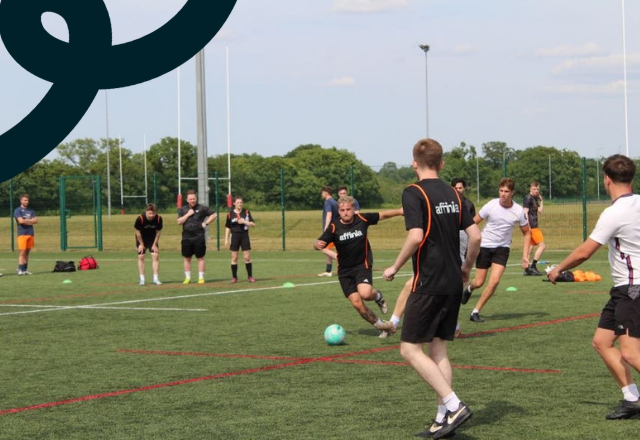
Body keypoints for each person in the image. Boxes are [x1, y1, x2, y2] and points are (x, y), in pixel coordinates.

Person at [382, 138, 481, 439]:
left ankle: (454, 405)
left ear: (415, 163)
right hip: (452, 282)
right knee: (438, 349)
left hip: (429, 281)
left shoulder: (413, 192)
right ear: (441, 163)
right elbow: (476, 236)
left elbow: (415, 236)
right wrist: (467, 267)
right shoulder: (454, 193)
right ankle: (442, 419)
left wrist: (395, 266)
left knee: (409, 348)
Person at [548, 154, 640, 420]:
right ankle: (632, 399)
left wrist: (558, 269)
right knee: (602, 342)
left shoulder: (614, 213)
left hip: (631, 289)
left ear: (606, 180)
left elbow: (585, 252)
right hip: (623, 289)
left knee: (630, 353)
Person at [314, 196, 401, 336]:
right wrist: (315, 244)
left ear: (353, 209)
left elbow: (383, 215)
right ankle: (382, 326)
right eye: (342, 210)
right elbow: (319, 243)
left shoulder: (362, 219)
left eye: (348, 209)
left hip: (362, 265)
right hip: (344, 271)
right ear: (339, 211)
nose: (345, 212)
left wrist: (400, 211)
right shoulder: (334, 227)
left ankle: (378, 296)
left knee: (365, 294)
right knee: (357, 304)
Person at [462, 178, 531, 323]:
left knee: (494, 282)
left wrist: (525, 256)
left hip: (502, 249)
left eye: (506, 191)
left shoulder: (518, 210)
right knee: (479, 282)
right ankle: (469, 289)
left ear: (512, 192)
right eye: (501, 191)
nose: (503, 194)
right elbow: (473, 222)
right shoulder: (491, 205)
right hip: (484, 246)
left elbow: (527, 233)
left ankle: (475, 311)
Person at [177, 190, 217, 284]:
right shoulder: (183, 209)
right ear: (187, 200)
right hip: (186, 237)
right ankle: (187, 278)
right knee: (187, 258)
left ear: (196, 198)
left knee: (200, 257)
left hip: (199, 237)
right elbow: (179, 222)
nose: (192, 200)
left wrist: (206, 223)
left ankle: (201, 278)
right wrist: (188, 214)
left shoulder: (202, 208)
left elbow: (214, 214)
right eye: (190, 199)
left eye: (194, 198)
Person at [225, 196, 256, 283]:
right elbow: (227, 227)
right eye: (238, 203)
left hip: (244, 235)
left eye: (241, 202)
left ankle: (250, 276)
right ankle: (234, 277)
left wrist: (244, 221)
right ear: (234, 203)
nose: (239, 204)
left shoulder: (246, 212)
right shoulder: (230, 214)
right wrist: (226, 239)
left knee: (247, 257)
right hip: (234, 236)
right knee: (234, 257)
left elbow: (253, 224)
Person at [134, 203, 163, 286]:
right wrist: (141, 244)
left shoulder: (158, 219)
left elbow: (158, 232)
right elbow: (137, 232)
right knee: (141, 256)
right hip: (141, 238)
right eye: (150, 213)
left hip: (152, 238)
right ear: (146, 211)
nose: (151, 215)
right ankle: (142, 279)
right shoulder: (140, 218)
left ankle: (155, 279)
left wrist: (155, 244)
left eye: (153, 213)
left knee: (155, 255)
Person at [523, 181, 546, 276]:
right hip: (532, 226)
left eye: (537, 189)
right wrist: (527, 226)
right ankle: (533, 266)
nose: (536, 191)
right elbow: (525, 212)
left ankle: (526, 269)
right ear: (530, 189)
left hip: (534, 226)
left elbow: (540, 211)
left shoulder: (534, 199)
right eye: (534, 189)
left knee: (531, 247)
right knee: (542, 246)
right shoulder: (528, 198)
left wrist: (541, 201)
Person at [14, 194, 38, 276]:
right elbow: (21, 221)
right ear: (21, 201)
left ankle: (25, 269)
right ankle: (20, 269)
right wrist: (30, 221)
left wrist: (26, 221)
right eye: (25, 200)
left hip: (30, 233)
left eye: (27, 200)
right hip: (22, 234)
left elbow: (36, 220)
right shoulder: (18, 210)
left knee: (27, 252)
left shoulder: (31, 210)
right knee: (22, 252)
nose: (26, 202)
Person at [318, 186, 339, 277]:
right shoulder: (334, 202)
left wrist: (326, 229)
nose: (321, 194)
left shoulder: (328, 202)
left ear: (326, 192)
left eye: (322, 192)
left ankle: (340, 259)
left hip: (330, 230)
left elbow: (329, 215)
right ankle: (328, 271)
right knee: (329, 249)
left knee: (323, 248)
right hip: (336, 228)